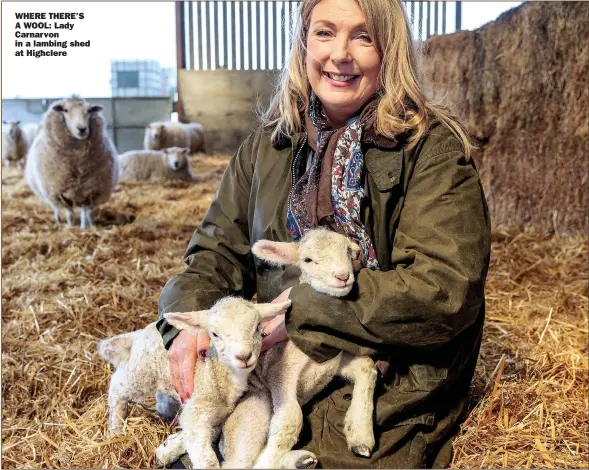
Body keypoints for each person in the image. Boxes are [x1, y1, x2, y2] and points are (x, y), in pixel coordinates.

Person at [156, 0, 491, 467]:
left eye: (363, 36)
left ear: (389, 49)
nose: (340, 54)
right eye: (325, 33)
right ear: (303, 43)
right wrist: (186, 327)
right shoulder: (268, 147)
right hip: (272, 363)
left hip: (384, 371)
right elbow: (215, 250)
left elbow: (444, 290)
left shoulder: (431, 152)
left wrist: (299, 309)